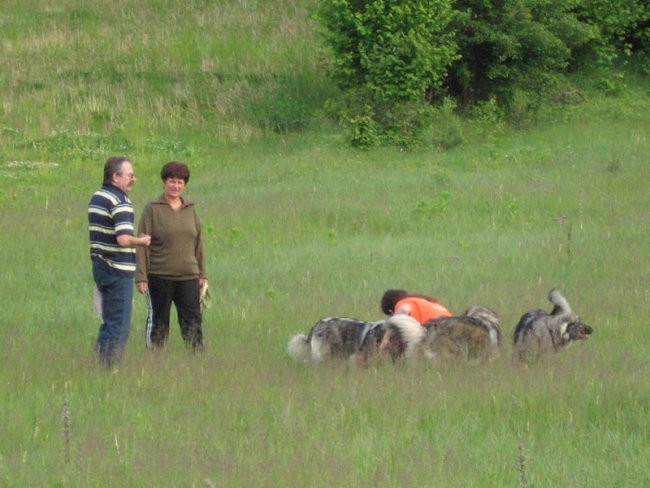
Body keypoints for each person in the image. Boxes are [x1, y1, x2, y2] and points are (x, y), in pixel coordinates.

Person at [135, 161, 208, 351]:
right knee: (159, 320)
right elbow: (142, 244)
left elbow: (198, 243)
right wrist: (141, 276)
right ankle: (155, 358)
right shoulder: (152, 209)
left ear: (185, 185)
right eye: (172, 181)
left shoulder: (190, 210)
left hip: (189, 276)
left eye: (180, 182)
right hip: (159, 275)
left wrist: (203, 274)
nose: (175, 186)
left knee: (192, 320)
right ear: (164, 182)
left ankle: (197, 358)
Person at [88, 156, 151, 367]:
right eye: (130, 175)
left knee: (108, 321)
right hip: (117, 269)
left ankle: (99, 364)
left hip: (100, 266)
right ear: (116, 177)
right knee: (119, 324)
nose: (134, 179)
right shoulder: (120, 201)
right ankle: (110, 368)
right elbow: (123, 239)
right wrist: (141, 241)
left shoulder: (97, 197)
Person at [380, 289, 452, 324]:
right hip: (450, 322)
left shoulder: (403, 303)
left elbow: (404, 309)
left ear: (391, 312)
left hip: (437, 326)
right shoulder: (422, 300)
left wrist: (387, 337)